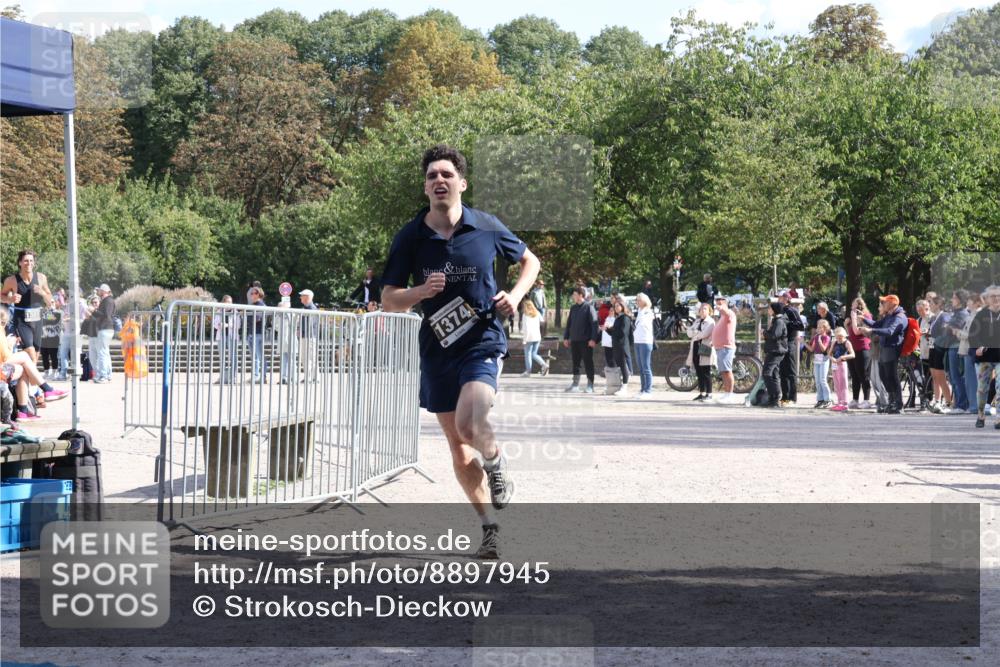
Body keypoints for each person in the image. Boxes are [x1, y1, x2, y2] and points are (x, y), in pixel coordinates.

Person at [380, 144, 540, 559]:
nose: (439, 180)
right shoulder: (410, 236)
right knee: (456, 445)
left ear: (462, 184)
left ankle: (496, 458)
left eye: (446, 174)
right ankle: (490, 527)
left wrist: (516, 295)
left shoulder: (486, 227)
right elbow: (389, 300)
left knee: (473, 421)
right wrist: (420, 291)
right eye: (432, 175)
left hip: (482, 340)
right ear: (425, 187)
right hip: (437, 350)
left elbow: (531, 261)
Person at [1, 249, 54, 365]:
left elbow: (50, 299)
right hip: (21, 320)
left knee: (35, 353)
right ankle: (37, 380)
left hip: (38, 319)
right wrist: (10, 299)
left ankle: (29, 380)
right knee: (30, 351)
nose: (28, 263)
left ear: (34, 263)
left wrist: (43, 293)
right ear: (20, 263)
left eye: (31, 261)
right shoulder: (11, 280)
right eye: (25, 261)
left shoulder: (41, 278)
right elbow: (1, 295)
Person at [858, 294, 908, 414]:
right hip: (884, 349)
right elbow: (876, 324)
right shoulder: (889, 316)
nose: (883, 304)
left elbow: (890, 331)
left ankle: (898, 404)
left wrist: (872, 331)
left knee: (892, 377)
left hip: (892, 349)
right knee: (884, 376)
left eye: (885, 302)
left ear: (892, 304)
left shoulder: (899, 317)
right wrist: (864, 319)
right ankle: (891, 402)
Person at [971, 285, 1000, 428]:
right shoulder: (981, 315)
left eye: (998, 296)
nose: (996, 298)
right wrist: (978, 347)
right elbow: (973, 335)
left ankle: (999, 418)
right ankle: (981, 414)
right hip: (985, 357)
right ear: (987, 299)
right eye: (993, 296)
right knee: (982, 389)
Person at [563, 286, 599, 393]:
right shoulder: (573, 308)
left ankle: (590, 385)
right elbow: (569, 324)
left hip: (586, 340)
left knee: (588, 362)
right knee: (576, 362)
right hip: (574, 340)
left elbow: (594, 324)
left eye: (574, 294)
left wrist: (593, 339)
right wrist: (566, 337)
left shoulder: (589, 307)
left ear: (580, 295)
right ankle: (575, 384)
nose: (573, 296)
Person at [945, 289, 971, 413]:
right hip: (952, 347)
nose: (952, 300)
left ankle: (962, 404)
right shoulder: (956, 313)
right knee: (952, 377)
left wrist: (947, 327)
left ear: (960, 300)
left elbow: (953, 331)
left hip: (956, 347)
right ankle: (957, 404)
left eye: (954, 298)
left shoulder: (962, 314)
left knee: (956, 377)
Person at [926, 296, 954, 413]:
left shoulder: (944, 316)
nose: (929, 305)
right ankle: (937, 400)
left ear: (938, 305)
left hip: (940, 349)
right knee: (934, 376)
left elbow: (945, 333)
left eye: (931, 303)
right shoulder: (933, 318)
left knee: (941, 377)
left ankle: (948, 402)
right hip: (932, 348)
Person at [778, 291, 804, 405]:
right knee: (782, 372)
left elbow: (800, 326)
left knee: (791, 371)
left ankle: (793, 397)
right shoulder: (780, 310)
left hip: (790, 343)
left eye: (780, 297)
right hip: (781, 344)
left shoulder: (792, 310)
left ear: (786, 299)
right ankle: (785, 397)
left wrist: (787, 323)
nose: (778, 299)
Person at [958, 292, 983, 415]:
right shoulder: (972, 314)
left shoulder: (977, 315)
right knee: (969, 379)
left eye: (970, 301)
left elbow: (973, 335)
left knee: (972, 380)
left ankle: (974, 406)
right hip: (968, 350)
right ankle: (973, 405)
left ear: (977, 303)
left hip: (972, 350)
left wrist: (958, 333)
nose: (967, 303)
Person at [686, 302, 716, 401]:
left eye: (705, 309)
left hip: (705, 347)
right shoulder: (697, 321)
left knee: (706, 371)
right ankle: (702, 393)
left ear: (709, 311)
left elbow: (704, 334)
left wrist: (696, 333)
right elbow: (689, 333)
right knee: (699, 372)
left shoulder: (711, 322)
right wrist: (696, 333)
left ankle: (709, 394)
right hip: (695, 347)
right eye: (701, 309)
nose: (702, 310)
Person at [846, 297, 872, 409]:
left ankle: (866, 400)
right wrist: (846, 325)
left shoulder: (865, 316)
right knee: (854, 375)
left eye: (854, 305)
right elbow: (851, 333)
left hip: (863, 348)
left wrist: (854, 318)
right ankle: (855, 399)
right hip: (853, 349)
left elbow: (857, 332)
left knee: (863, 375)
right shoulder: (854, 317)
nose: (852, 306)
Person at [761, 301, 788, 408]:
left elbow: (774, 335)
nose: (768, 310)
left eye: (770, 308)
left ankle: (775, 395)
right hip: (775, 350)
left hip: (776, 351)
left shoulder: (779, 322)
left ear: (774, 310)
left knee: (766, 373)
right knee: (774, 374)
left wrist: (764, 332)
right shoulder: (777, 320)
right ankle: (774, 398)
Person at [712, 295, 738, 403]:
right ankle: (727, 393)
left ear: (725, 303)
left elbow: (727, 312)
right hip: (720, 347)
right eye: (717, 301)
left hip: (726, 347)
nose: (718, 303)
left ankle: (730, 394)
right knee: (723, 371)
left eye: (720, 301)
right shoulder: (722, 316)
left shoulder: (729, 314)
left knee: (727, 371)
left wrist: (722, 307)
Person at [89, 284, 116, 384]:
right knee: (105, 352)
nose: (98, 292)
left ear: (104, 291)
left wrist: (94, 311)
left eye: (100, 290)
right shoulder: (108, 300)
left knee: (102, 353)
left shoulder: (108, 300)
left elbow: (107, 315)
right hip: (106, 329)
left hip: (105, 328)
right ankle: (107, 375)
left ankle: (103, 376)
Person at [633, 293, 656, 398]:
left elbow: (643, 324)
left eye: (638, 300)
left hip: (645, 341)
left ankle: (648, 390)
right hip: (637, 340)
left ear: (644, 301)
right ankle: (643, 389)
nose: (637, 301)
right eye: (636, 300)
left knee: (646, 367)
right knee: (640, 367)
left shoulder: (648, 312)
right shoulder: (639, 311)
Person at [609, 300, 633, 396]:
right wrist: (607, 329)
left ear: (623, 306)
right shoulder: (618, 318)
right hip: (616, 345)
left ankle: (625, 386)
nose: (616, 307)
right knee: (620, 366)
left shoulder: (625, 318)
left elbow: (623, 332)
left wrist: (613, 330)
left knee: (623, 366)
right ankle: (621, 385)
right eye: (615, 306)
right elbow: (615, 332)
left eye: (618, 305)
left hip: (622, 346)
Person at [807, 319, 833, 408]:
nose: (817, 329)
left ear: (825, 328)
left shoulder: (826, 337)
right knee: (817, 381)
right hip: (817, 360)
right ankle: (820, 399)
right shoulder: (816, 336)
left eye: (820, 327)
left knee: (823, 379)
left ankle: (828, 399)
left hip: (824, 359)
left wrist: (819, 341)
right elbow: (812, 349)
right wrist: (802, 342)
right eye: (817, 327)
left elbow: (824, 349)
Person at [213, 295, 239, 384]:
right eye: (227, 302)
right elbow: (215, 325)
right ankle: (222, 377)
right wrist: (220, 324)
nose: (229, 304)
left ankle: (234, 377)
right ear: (223, 302)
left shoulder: (235, 311)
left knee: (233, 357)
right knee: (222, 358)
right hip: (221, 336)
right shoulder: (219, 311)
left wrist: (228, 325)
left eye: (230, 302)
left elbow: (238, 325)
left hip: (232, 337)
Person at [829, 327, 856, 411]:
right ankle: (839, 402)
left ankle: (845, 403)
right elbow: (829, 354)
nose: (839, 339)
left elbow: (853, 355)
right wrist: (832, 358)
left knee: (843, 384)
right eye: (837, 337)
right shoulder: (834, 342)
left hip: (842, 364)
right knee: (837, 384)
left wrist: (843, 357)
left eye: (840, 337)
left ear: (844, 335)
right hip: (834, 364)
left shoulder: (847, 343)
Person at [519, 300, 548, 377]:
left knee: (528, 354)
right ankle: (544, 364)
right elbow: (542, 321)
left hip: (529, 337)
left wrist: (524, 339)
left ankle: (528, 372)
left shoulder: (525, 315)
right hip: (537, 337)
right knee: (534, 354)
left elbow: (526, 328)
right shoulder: (537, 313)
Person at [247, 286, 269, 381]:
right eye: (251, 293)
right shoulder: (253, 305)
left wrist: (246, 316)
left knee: (259, 356)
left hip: (258, 333)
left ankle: (261, 376)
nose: (251, 295)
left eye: (254, 293)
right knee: (254, 357)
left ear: (259, 294)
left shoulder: (261, 305)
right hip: (251, 333)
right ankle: (256, 375)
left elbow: (257, 319)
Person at [298, 289, 319, 382]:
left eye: (302, 296)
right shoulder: (309, 308)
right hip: (308, 335)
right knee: (311, 357)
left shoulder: (311, 308)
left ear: (307, 297)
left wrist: (300, 330)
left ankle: (309, 377)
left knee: (307, 357)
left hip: (308, 336)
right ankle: (314, 377)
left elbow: (310, 324)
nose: (300, 297)